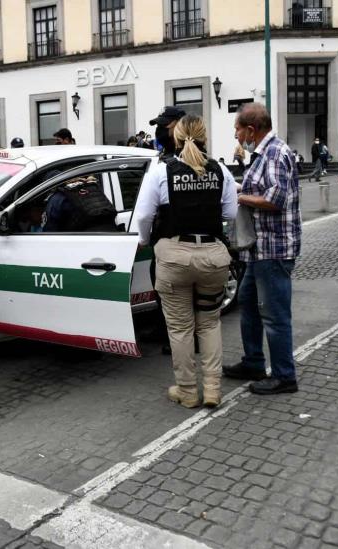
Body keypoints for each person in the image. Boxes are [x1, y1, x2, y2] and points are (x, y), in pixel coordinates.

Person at [134, 115, 237, 408]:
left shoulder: (161, 171)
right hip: (213, 257)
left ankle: (188, 391)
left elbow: (143, 216)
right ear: (205, 136)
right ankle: (214, 389)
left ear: (176, 138)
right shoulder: (220, 170)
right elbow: (230, 214)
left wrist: (145, 240)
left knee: (179, 328)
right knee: (209, 324)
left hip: (175, 256)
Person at [225, 102, 302, 395]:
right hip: (259, 250)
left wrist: (239, 196)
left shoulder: (274, 153)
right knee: (248, 304)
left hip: (274, 249)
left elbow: (275, 199)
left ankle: (285, 376)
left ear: (251, 129)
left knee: (274, 314)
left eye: (237, 129)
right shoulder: (261, 154)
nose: (236, 134)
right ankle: (254, 361)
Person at [149, 106, 187, 354]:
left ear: (179, 125)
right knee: (162, 285)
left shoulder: (183, 160)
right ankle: (163, 328)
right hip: (164, 235)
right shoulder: (163, 159)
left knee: (178, 293)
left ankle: (180, 339)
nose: (160, 130)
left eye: (165, 125)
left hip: (177, 234)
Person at [42, 175, 117, 232]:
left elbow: (49, 231)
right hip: (111, 235)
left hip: (80, 243)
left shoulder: (56, 199)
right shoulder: (93, 187)